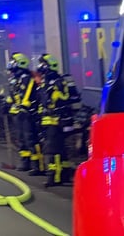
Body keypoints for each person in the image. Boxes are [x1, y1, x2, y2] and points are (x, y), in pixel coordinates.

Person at [36, 53, 73, 186]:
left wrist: (55, 96)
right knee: (60, 149)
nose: (40, 67)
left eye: (43, 64)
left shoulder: (58, 81)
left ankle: (54, 177)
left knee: (52, 150)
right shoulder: (45, 82)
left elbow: (64, 99)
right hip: (48, 121)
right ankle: (64, 174)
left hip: (56, 121)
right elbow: (43, 101)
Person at [3, 52, 40, 172]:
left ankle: (36, 165)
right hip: (16, 113)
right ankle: (25, 162)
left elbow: (27, 94)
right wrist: (6, 104)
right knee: (20, 139)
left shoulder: (27, 78)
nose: (11, 64)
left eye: (13, 61)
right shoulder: (15, 79)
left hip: (26, 113)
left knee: (30, 138)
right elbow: (12, 94)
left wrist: (24, 107)